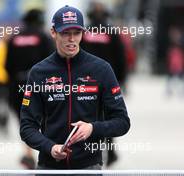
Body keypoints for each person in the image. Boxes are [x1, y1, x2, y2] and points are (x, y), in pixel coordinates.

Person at [20, 5, 130, 172]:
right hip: (48, 167)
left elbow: (122, 122)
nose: (71, 39)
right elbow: (27, 127)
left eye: (76, 33)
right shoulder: (39, 72)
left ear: (83, 33)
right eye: (65, 33)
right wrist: (50, 147)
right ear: (53, 32)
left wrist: (93, 128)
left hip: (88, 167)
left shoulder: (101, 69)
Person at [80, 2, 128, 167]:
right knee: (109, 115)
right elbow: (122, 59)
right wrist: (121, 81)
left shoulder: (84, 33)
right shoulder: (112, 33)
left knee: (89, 115)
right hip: (108, 80)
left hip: (85, 82)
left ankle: (93, 150)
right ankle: (110, 149)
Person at [5, 9, 54, 169]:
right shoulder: (43, 37)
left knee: (24, 120)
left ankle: (28, 153)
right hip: (41, 86)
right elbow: (52, 62)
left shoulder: (15, 38)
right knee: (46, 118)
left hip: (18, 86)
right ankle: (46, 151)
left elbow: (7, 66)